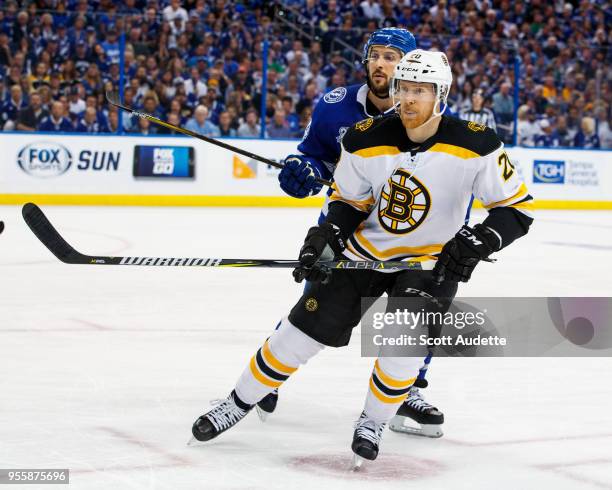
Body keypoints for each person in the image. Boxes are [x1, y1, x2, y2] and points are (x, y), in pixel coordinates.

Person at [191, 50, 534, 465]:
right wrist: (324, 238)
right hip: (363, 254)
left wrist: (478, 243)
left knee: (402, 347)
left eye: (420, 91)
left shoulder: (477, 143)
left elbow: (516, 209)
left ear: (440, 95)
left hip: (428, 263)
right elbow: (348, 204)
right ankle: (237, 402)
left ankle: (373, 421)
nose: (408, 100)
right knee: (299, 332)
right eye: (403, 89)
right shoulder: (363, 136)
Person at [271, 27, 447, 438]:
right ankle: (270, 376)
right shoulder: (334, 106)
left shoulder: (421, 110)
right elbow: (312, 156)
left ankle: (405, 391)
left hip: (406, 236)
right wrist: (305, 171)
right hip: (344, 226)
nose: (382, 63)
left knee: (416, 314)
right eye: (376, 55)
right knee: (314, 304)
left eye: (392, 56)